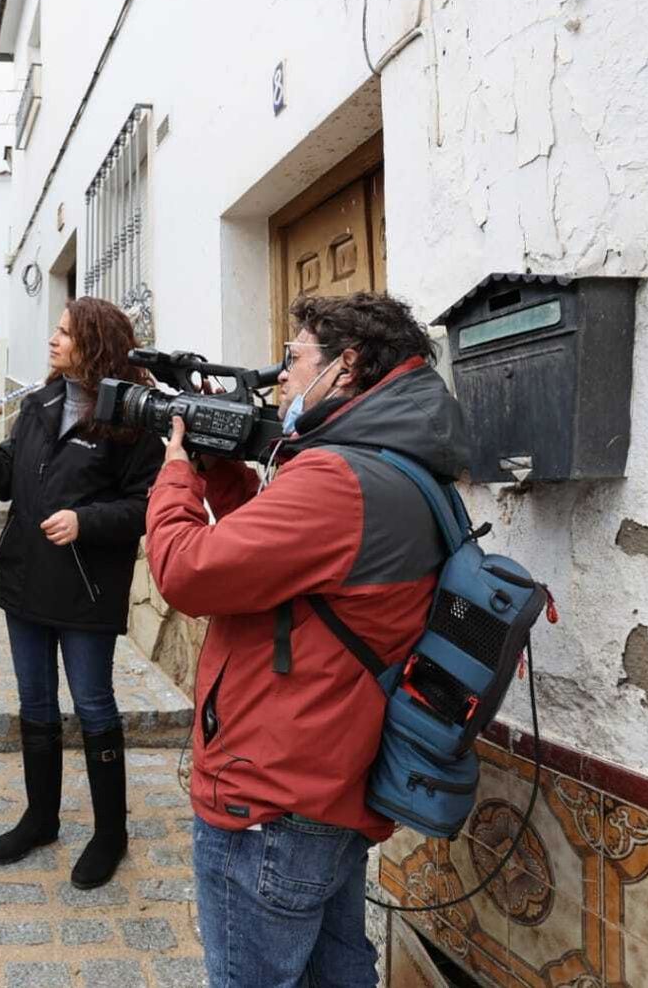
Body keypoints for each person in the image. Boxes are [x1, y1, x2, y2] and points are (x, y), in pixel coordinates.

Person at [143, 292, 469, 987]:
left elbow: (188, 571)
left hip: (272, 795)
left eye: (293, 359)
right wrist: (224, 467)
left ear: (345, 366)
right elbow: (281, 564)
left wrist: (174, 470)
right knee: (338, 971)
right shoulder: (393, 464)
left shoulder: (337, 478)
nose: (281, 376)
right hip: (328, 777)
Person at [0, 296, 162, 889]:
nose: (53, 340)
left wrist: (85, 521)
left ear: (95, 344)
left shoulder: (133, 419)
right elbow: (6, 480)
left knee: (93, 706)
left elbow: (147, 504)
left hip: (87, 589)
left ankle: (110, 833)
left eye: (65, 333)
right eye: (56, 331)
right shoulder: (39, 404)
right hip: (25, 580)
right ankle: (41, 819)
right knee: (35, 705)